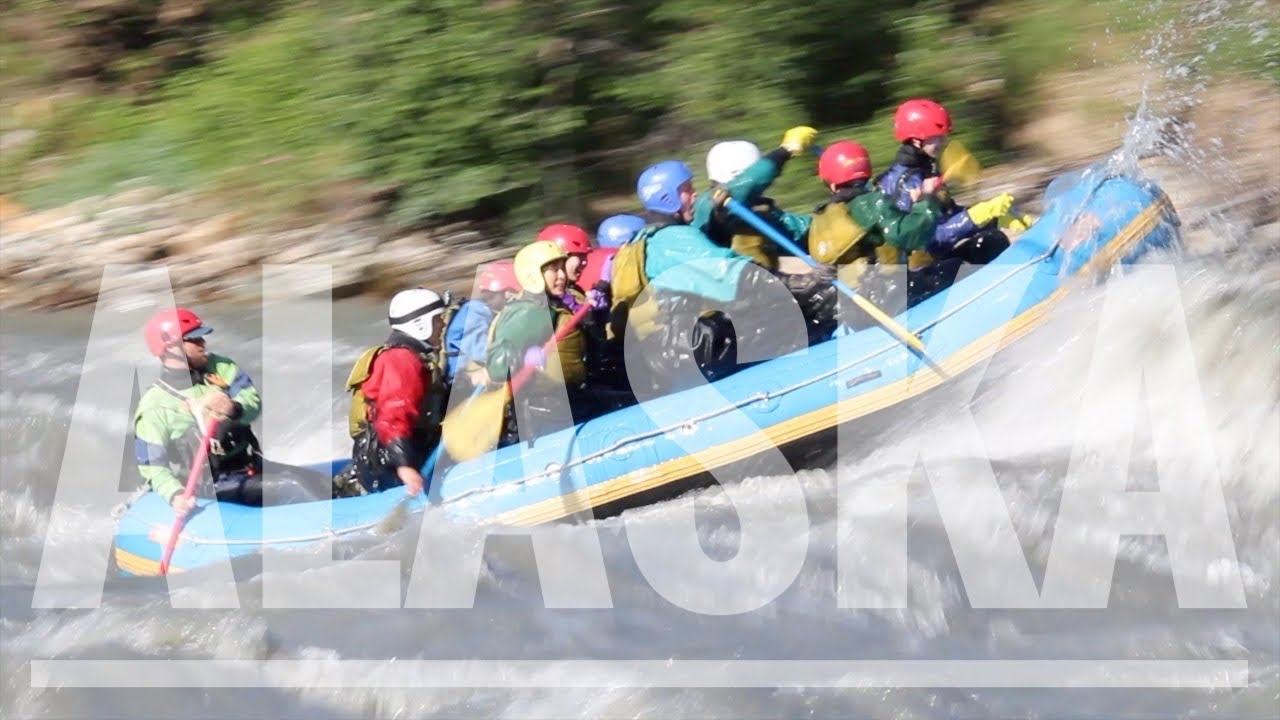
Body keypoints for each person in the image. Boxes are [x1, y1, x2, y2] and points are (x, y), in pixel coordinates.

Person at [612, 127, 838, 387]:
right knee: (809, 306)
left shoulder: (656, 238)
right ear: (668, 198)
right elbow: (735, 275)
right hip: (694, 348)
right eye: (687, 189)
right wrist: (804, 283)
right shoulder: (671, 239)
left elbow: (799, 230)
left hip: (691, 343)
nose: (694, 194)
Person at [133, 308, 330, 516]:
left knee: (320, 482)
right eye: (194, 339)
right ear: (172, 347)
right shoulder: (154, 407)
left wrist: (233, 408)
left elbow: (253, 403)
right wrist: (175, 494)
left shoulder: (221, 367)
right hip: (211, 484)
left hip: (250, 465)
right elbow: (153, 466)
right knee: (293, 486)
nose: (203, 344)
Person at [876, 99, 1020, 277]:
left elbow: (948, 215)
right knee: (984, 246)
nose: (942, 141)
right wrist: (973, 218)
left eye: (943, 135)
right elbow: (926, 240)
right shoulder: (907, 182)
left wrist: (992, 218)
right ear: (916, 140)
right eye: (936, 136)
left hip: (930, 261)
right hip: (910, 277)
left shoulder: (925, 171)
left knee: (990, 239)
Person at [484, 240, 611, 441]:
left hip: (566, 398)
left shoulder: (555, 304)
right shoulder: (529, 311)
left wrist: (595, 316)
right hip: (545, 412)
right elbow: (497, 367)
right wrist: (523, 357)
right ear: (533, 275)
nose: (561, 275)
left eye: (562, 268)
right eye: (553, 270)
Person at [334, 288, 450, 497]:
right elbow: (393, 416)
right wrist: (405, 466)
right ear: (420, 324)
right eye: (437, 319)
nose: (442, 324)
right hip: (387, 463)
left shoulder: (416, 358)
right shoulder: (401, 361)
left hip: (398, 452)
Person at [809, 140, 943, 315]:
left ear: (832, 186)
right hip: (891, 298)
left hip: (852, 308)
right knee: (955, 266)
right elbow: (909, 236)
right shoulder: (872, 203)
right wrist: (925, 200)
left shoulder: (822, 218)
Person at [704, 140, 811, 271]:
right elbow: (746, 186)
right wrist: (784, 151)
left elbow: (793, 227)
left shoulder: (759, 211)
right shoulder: (708, 211)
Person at [444, 260, 519, 394]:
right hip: (461, 387)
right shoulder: (474, 312)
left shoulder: (487, 311)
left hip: (474, 380)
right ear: (507, 292)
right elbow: (484, 353)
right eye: (514, 294)